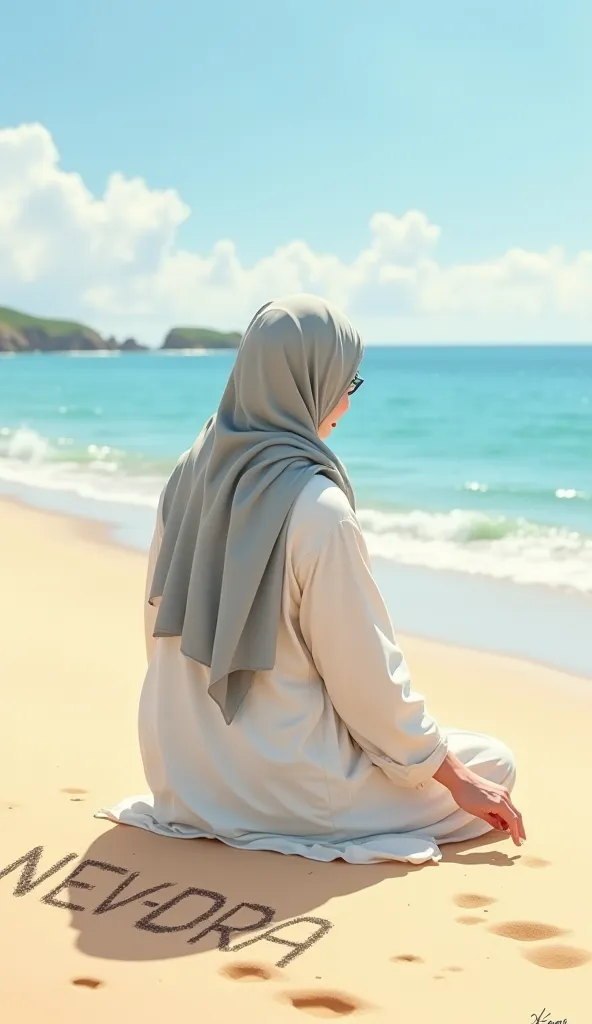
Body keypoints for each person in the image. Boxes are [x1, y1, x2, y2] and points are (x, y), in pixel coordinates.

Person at [99, 294, 525, 865]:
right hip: (288, 789)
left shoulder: (188, 474)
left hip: (181, 778)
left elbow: (158, 629)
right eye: (345, 382)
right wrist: (452, 775)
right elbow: (366, 680)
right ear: (307, 381)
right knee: (493, 763)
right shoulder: (318, 507)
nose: (346, 401)